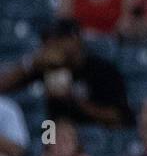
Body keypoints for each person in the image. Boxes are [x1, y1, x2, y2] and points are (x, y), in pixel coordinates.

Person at [0, 19, 132, 127]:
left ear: (75, 39)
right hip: (55, 133)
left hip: (92, 134)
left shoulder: (102, 70)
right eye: (48, 41)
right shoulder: (46, 66)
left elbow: (117, 117)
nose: (52, 46)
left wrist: (73, 100)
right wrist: (30, 64)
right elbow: (3, 86)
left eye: (58, 40)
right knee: (47, 129)